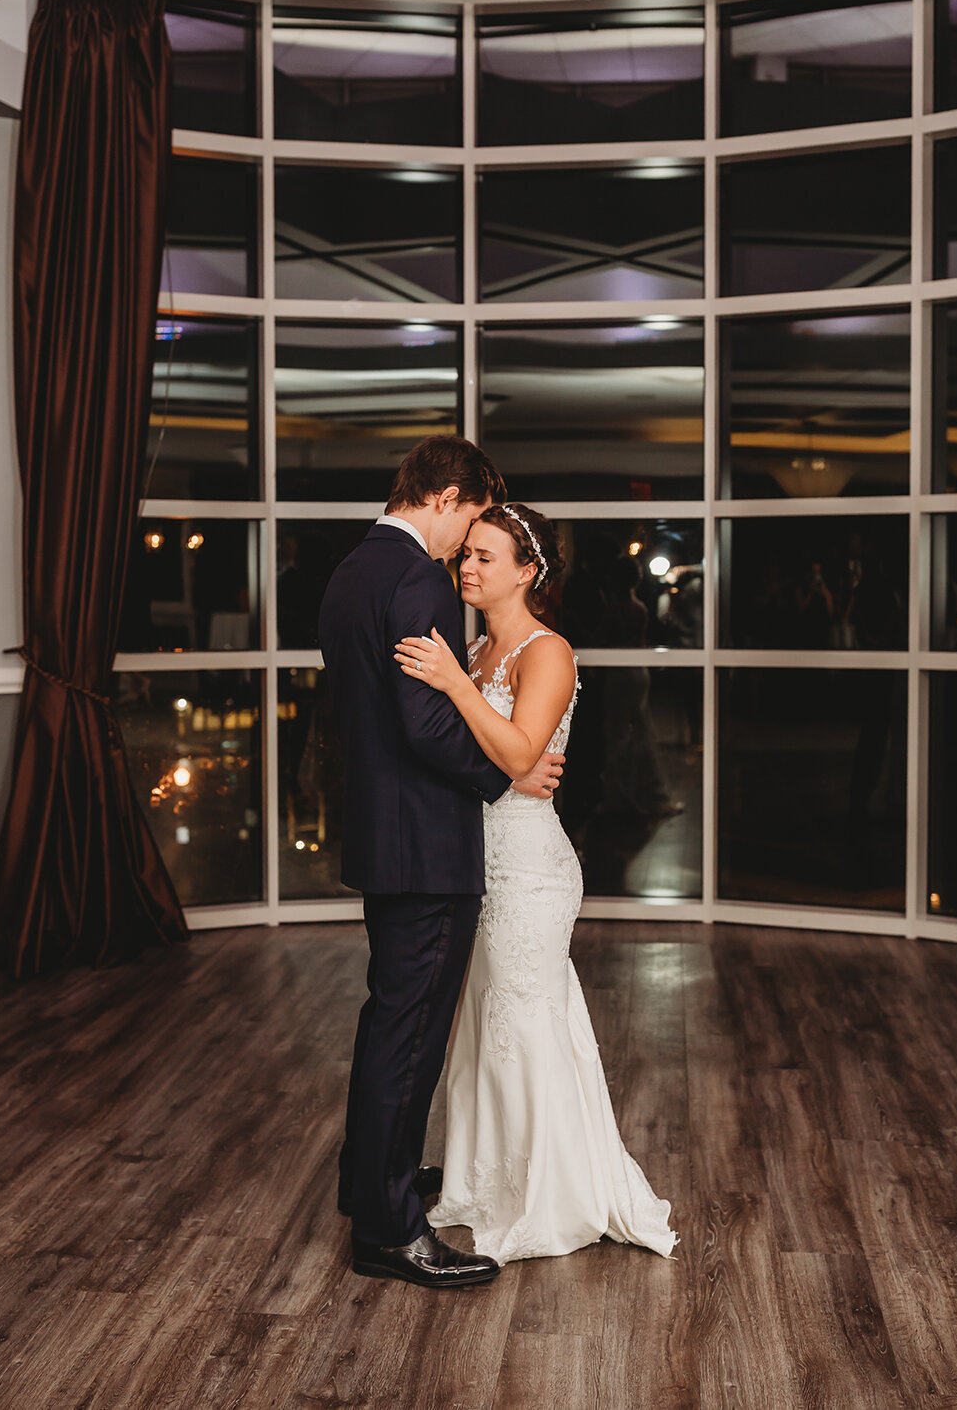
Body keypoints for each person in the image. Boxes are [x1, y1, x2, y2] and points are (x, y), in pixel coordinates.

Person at [394, 503, 677, 1266]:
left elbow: (522, 756)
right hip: (476, 863)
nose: (469, 568)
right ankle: (489, 1182)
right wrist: (495, 732)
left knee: (526, 1024)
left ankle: (557, 1195)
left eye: (487, 557)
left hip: (529, 872)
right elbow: (502, 762)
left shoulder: (545, 653)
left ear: (529, 571)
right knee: (485, 1027)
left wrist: (457, 687)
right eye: (468, 555)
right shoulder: (482, 648)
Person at [318, 437, 564, 1290]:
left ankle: (369, 1180)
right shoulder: (416, 575)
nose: (465, 548)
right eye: (469, 524)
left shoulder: (352, 568)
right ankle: (389, 1229)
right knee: (409, 1031)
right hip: (425, 845)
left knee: (388, 1019)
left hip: (384, 834)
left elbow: (359, 712)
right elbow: (425, 727)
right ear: (449, 496)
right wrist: (509, 775)